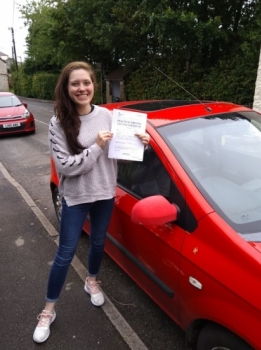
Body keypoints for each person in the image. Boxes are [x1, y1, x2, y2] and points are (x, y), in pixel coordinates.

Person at [33, 61, 149, 343]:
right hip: (76, 197)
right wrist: (96, 146)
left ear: (94, 85)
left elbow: (117, 155)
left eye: (86, 82)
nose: (82, 88)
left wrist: (140, 144)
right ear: (67, 88)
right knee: (65, 252)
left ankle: (92, 280)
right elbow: (68, 167)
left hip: (104, 194)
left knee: (98, 243)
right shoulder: (58, 123)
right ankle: (48, 310)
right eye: (75, 83)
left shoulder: (108, 116)